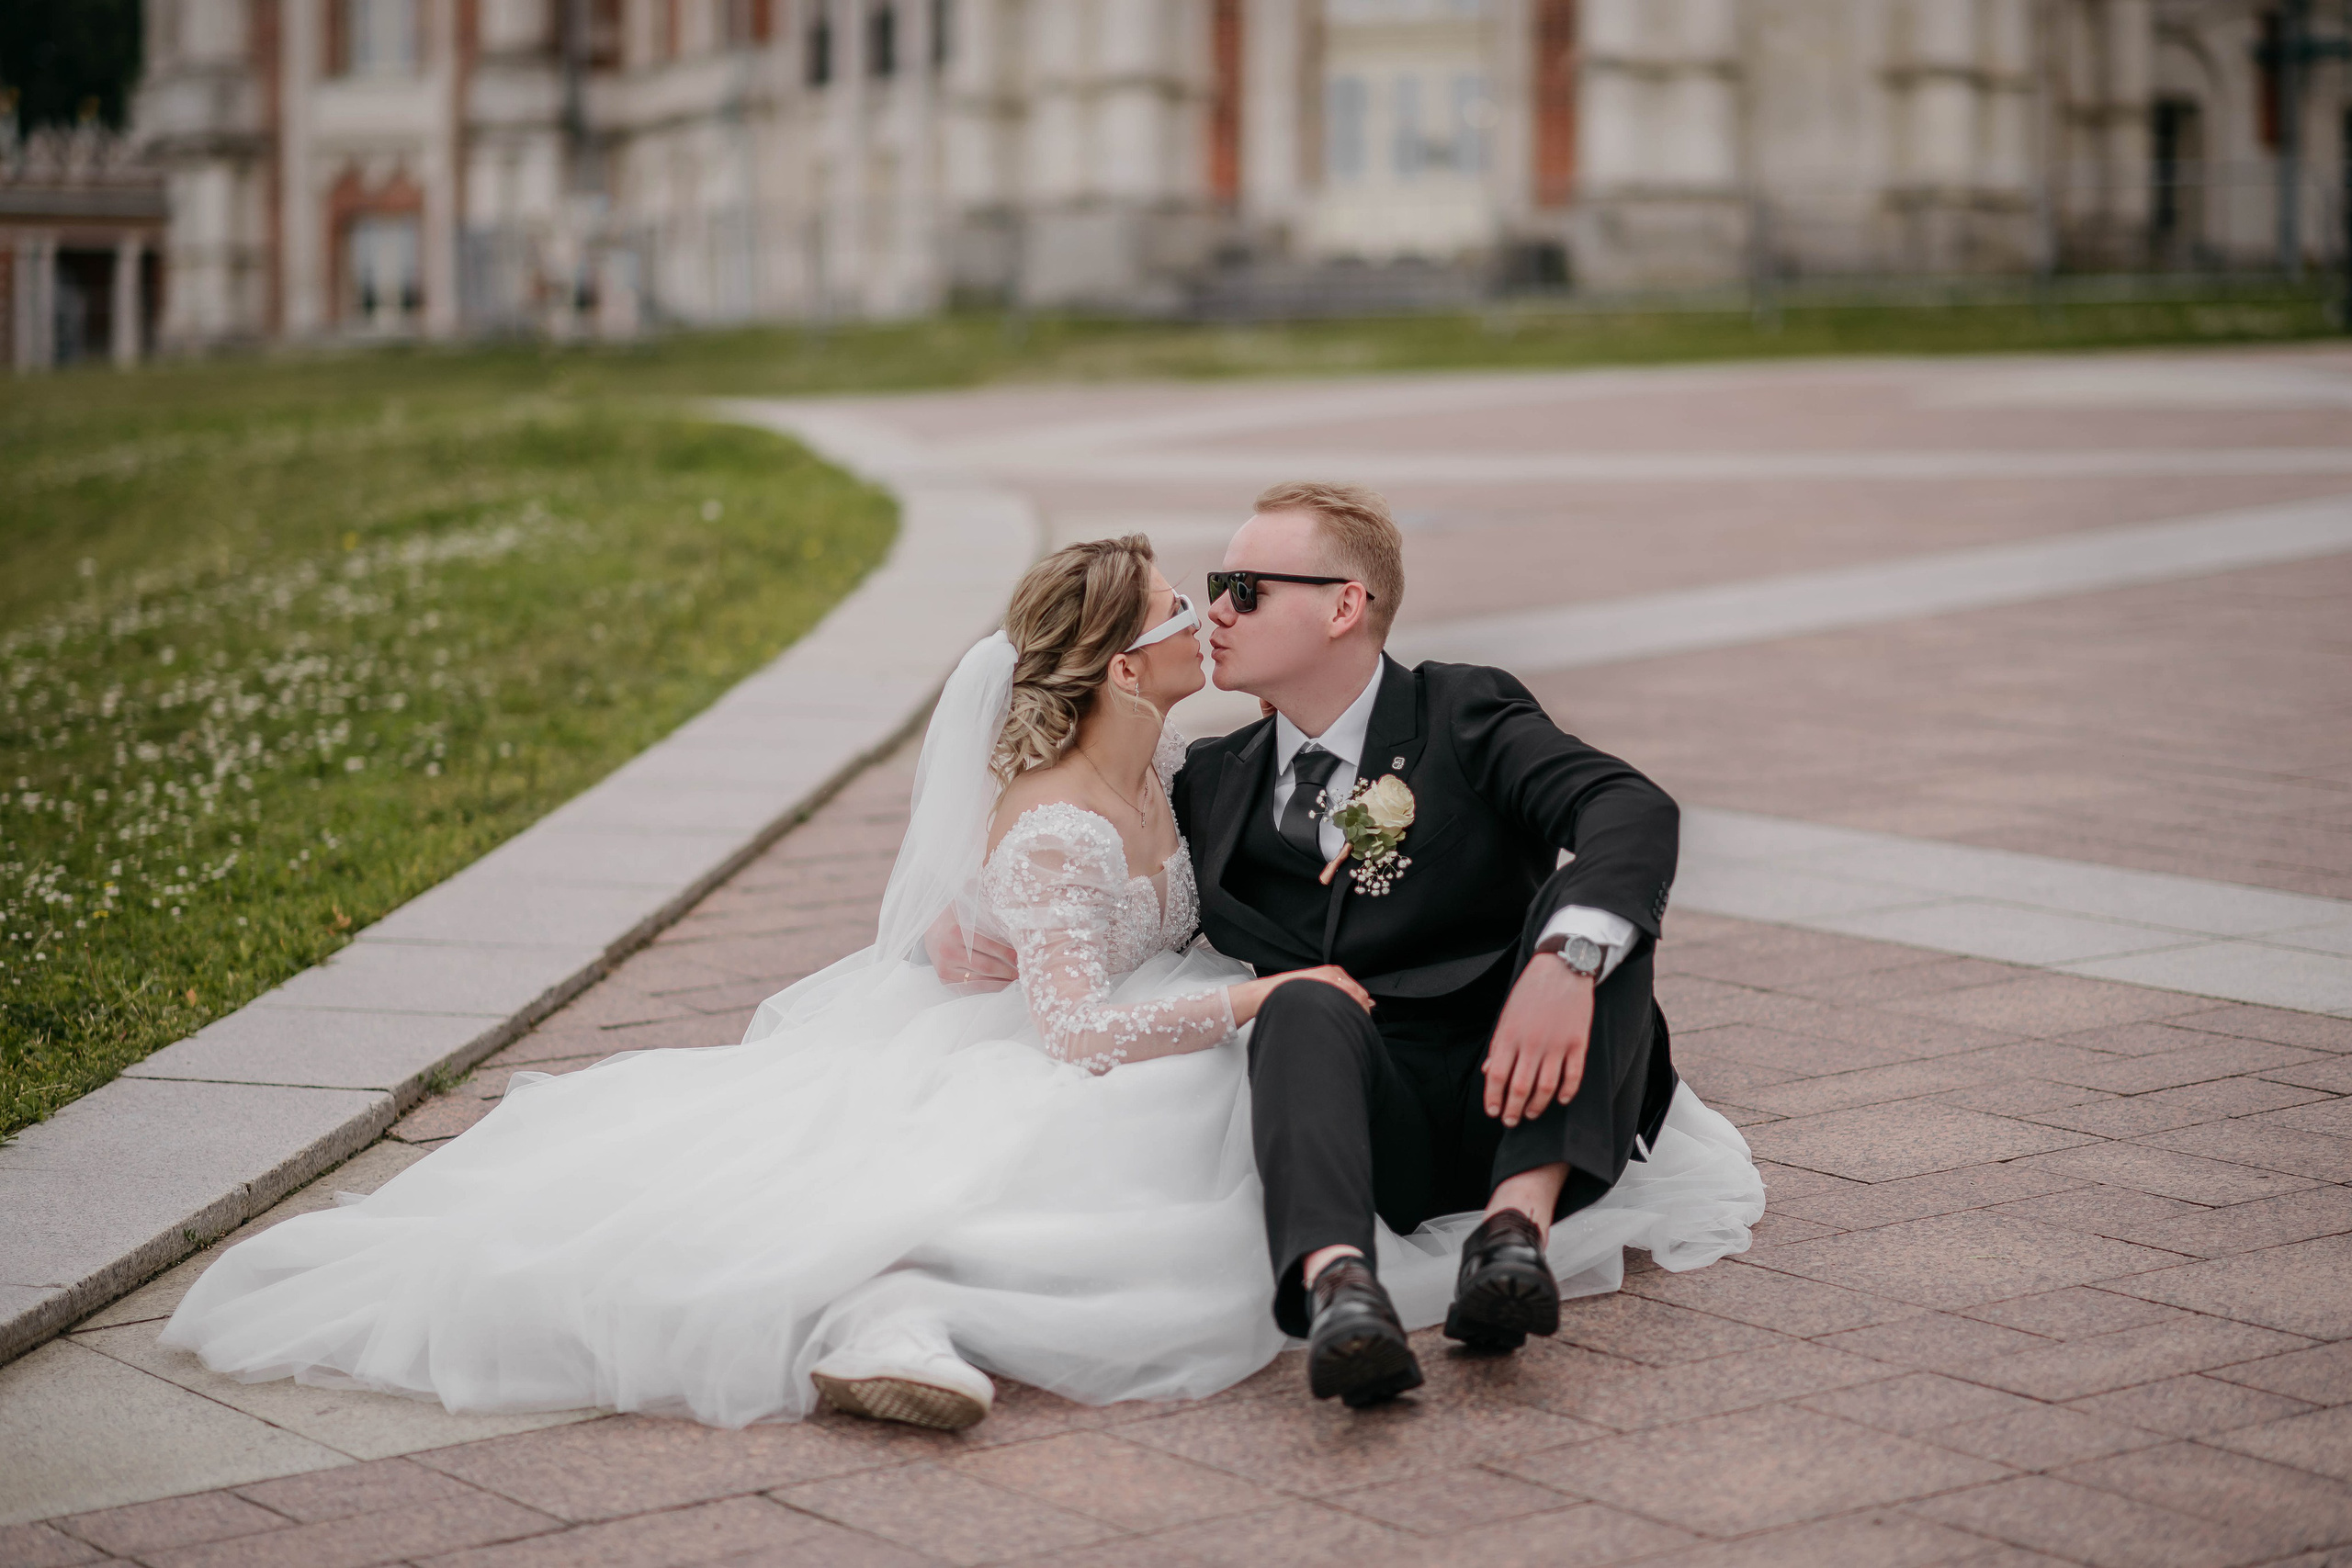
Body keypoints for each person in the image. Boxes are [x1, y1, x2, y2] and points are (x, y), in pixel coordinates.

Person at [940, 485, 1765, 1410]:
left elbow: (1626, 808)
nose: (1214, 612)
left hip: (1536, 1091)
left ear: (1343, 605)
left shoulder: (1464, 712)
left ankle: (1511, 1236)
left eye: (1244, 589)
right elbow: (1073, 841)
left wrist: (1562, 964)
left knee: (1595, 924)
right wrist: (974, 909)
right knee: (1297, 999)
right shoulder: (1210, 784)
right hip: (1378, 1125)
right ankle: (1339, 1287)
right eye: (1212, 589)